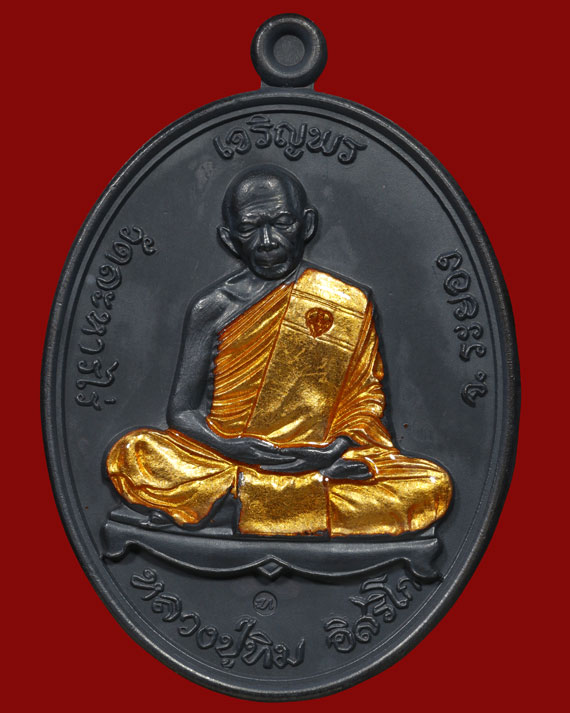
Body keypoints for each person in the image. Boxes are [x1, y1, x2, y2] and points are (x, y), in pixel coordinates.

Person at [107, 165, 452, 537]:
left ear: (307, 225)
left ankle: (234, 505)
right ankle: (299, 499)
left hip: (320, 457)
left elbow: (364, 403)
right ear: (229, 239)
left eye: (282, 222)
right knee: (134, 454)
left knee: (430, 484)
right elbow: (183, 411)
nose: (268, 241)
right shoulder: (212, 308)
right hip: (228, 456)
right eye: (250, 228)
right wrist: (232, 447)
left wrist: (331, 451)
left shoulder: (348, 302)